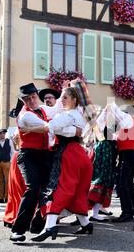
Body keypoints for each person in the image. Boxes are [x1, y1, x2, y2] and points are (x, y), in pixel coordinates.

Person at [9, 82, 71, 242]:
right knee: (33, 188)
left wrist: (65, 89)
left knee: (48, 190)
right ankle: (17, 230)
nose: (31, 100)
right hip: (28, 155)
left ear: (37, 95)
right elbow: (47, 127)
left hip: (44, 155)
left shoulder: (42, 109)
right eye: (27, 99)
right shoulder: (25, 115)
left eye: (33, 96)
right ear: (23, 101)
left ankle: (37, 224)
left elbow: (56, 108)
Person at [31, 87, 93, 242]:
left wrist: (28, 127)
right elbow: (79, 131)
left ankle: (50, 226)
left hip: (68, 154)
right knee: (77, 191)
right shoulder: (77, 115)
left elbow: (51, 126)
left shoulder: (68, 114)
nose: (61, 100)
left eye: (65, 97)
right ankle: (86, 224)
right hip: (80, 154)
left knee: (59, 187)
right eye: (62, 97)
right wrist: (72, 131)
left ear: (74, 100)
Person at [87, 102, 130, 222]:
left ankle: (94, 212)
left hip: (106, 152)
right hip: (104, 155)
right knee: (101, 182)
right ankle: (92, 214)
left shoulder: (106, 127)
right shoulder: (102, 127)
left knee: (102, 183)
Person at [112, 105, 134, 223]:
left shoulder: (129, 121)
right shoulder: (132, 124)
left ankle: (127, 212)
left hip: (128, 153)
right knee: (128, 182)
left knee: (122, 182)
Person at [0, 129, 15, 204]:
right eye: (0, 133)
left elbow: (13, 152)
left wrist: (11, 162)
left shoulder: (9, 141)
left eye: (3, 133)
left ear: (5, 134)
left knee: (7, 180)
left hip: (7, 162)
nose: (2, 135)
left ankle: (7, 197)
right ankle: (0, 197)